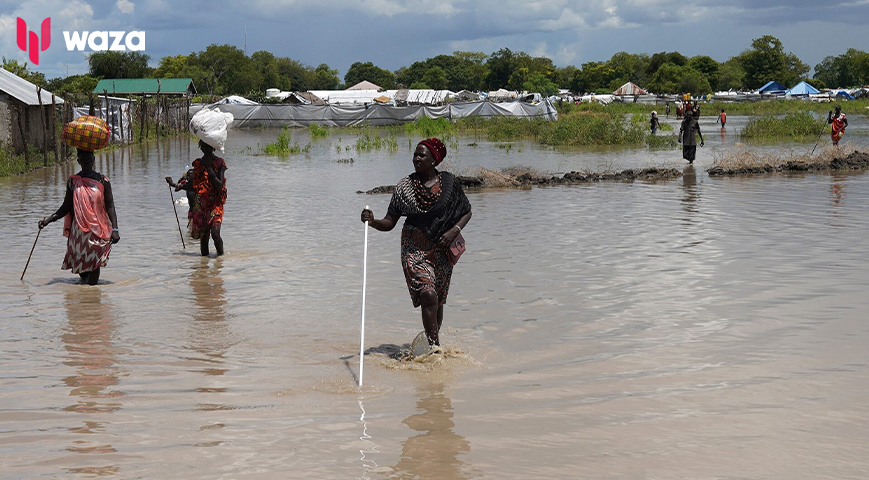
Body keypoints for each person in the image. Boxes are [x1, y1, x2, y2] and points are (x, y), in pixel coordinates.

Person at [361, 138, 472, 350]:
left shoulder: (449, 184)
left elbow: (467, 211)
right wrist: (373, 221)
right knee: (428, 294)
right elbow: (390, 222)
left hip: (442, 248)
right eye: (415, 154)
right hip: (414, 248)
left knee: (437, 301)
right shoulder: (405, 187)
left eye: (422, 155)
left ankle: (431, 345)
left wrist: (453, 231)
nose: (416, 159)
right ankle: (435, 349)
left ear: (434, 160)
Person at [38, 149, 120, 285]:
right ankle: (84, 300)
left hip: (97, 231)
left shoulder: (103, 181)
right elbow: (66, 207)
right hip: (79, 233)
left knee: (94, 264)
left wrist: (115, 229)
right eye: (83, 158)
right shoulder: (73, 182)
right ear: (78, 161)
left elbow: (110, 206)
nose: (86, 160)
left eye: (89, 157)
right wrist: (48, 220)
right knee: (83, 271)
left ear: (94, 159)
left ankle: (92, 298)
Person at [191, 140, 227, 256]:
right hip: (202, 204)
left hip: (215, 203)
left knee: (215, 234)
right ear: (201, 148)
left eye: (209, 148)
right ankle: (204, 266)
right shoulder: (198, 164)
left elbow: (219, 184)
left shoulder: (219, 163)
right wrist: (176, 185)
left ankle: (220, 260)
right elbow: (194, 185)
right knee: (204, 237)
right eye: (204, 148)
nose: (206, 151)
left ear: (213, 148)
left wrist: (209, 167)